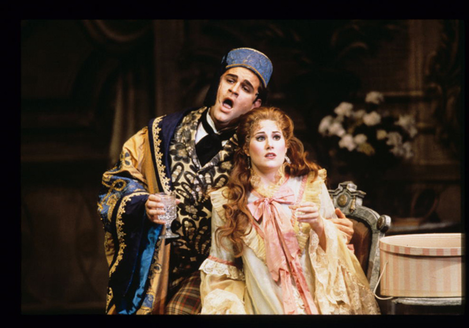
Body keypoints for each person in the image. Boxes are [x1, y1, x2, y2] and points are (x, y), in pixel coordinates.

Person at [98, 48, 354, 315]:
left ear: (256, 103)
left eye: (245, 87)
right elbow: (118, 179)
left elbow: (291, 193)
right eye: (230, 80)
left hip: (219, 268)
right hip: (156, 260)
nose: (233, 90)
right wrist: (142, 203)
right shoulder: (162, 131)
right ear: (218, 84)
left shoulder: (258, 147)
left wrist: (335, 226)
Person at [199, 107, 379, 314]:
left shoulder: (311, 184)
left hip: (317, 302)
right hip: (263, 305)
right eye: (260, 138)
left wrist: (320, 225)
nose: (269, 145)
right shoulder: (228, 201)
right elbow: (222, 270)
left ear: (285, 146)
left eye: (276, 137)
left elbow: (339, 253)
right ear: (246, 149)